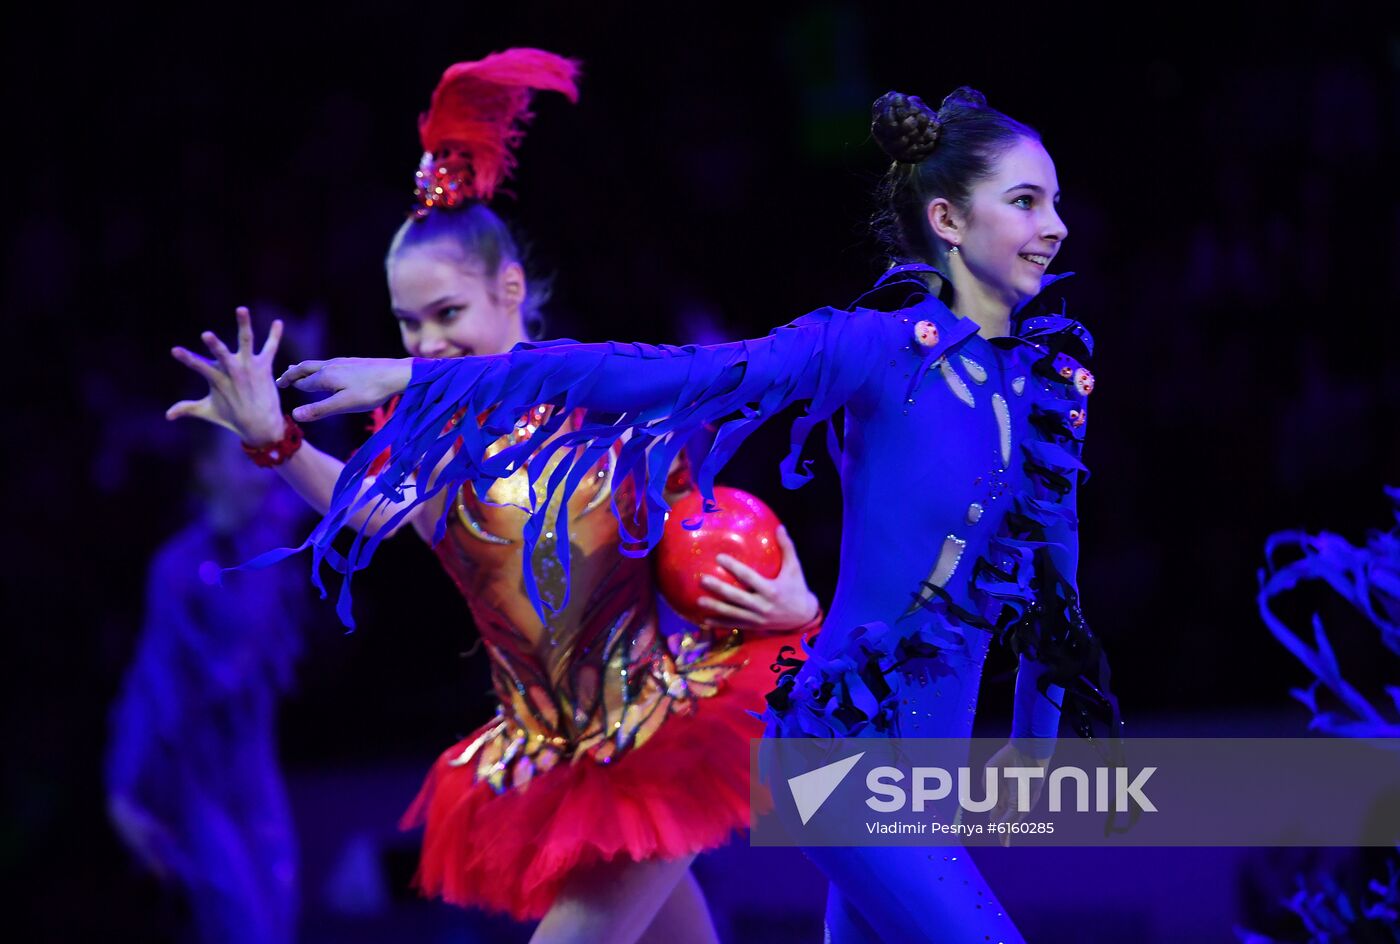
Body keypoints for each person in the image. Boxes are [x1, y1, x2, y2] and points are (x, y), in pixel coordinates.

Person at [276, 87, 1124, 942]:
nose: (1054, 226)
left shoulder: (1052, 390)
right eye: (1024, 201)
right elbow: (667, 376)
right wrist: (425, 379)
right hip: (836, 751)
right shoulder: (873, 348)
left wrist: (1034, 735)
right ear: (947, 218)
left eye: (1054, 201)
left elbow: (1054, 575)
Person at [166, 50, 821, 944]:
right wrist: (275, 440)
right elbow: (365, 507)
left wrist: (790, 605)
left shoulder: (596, 391)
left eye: (447, 314)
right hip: (556, 758)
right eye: (407, 323)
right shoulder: (422, 432)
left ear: (509, 292)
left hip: (665, 732)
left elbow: (711, 527)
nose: (428, 344)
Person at [107, 429, 309, 944]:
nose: (256, 474)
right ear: (206, 471)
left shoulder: (271, 542)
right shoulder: (177, 568)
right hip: (200, 775)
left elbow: (315, 472)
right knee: (246, 928)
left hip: (256, 766)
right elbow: (151, 684)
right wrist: (123, 792)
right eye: (240, 462)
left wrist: (308, 365)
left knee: (279, 917)